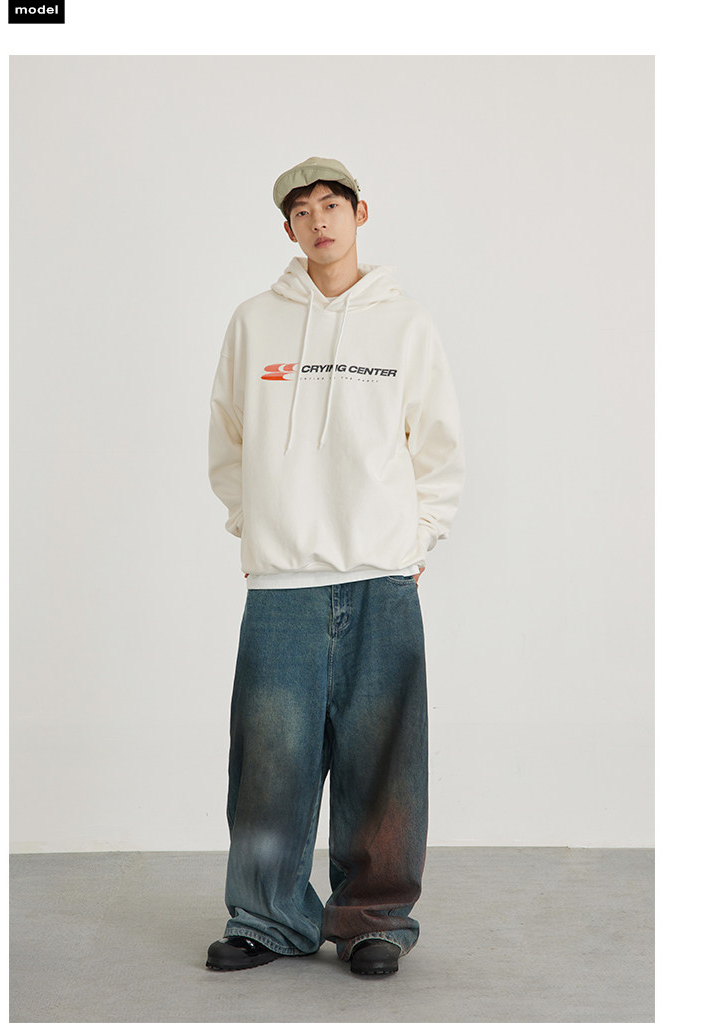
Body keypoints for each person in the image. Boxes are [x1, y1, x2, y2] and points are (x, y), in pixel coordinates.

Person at [206, 156, 465, 976]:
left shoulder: (405, 326)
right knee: (269, 761)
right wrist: (259, 528)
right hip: (283, 582)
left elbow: (438, 448)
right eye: (302, 211)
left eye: (332, 204)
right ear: (287, 228)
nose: (318, 220)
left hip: (381, 578)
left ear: (360, 214)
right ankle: (267, 917)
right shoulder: (255, 322)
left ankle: (374, 920)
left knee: (385, 761)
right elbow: (227, 440)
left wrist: (415, 541)